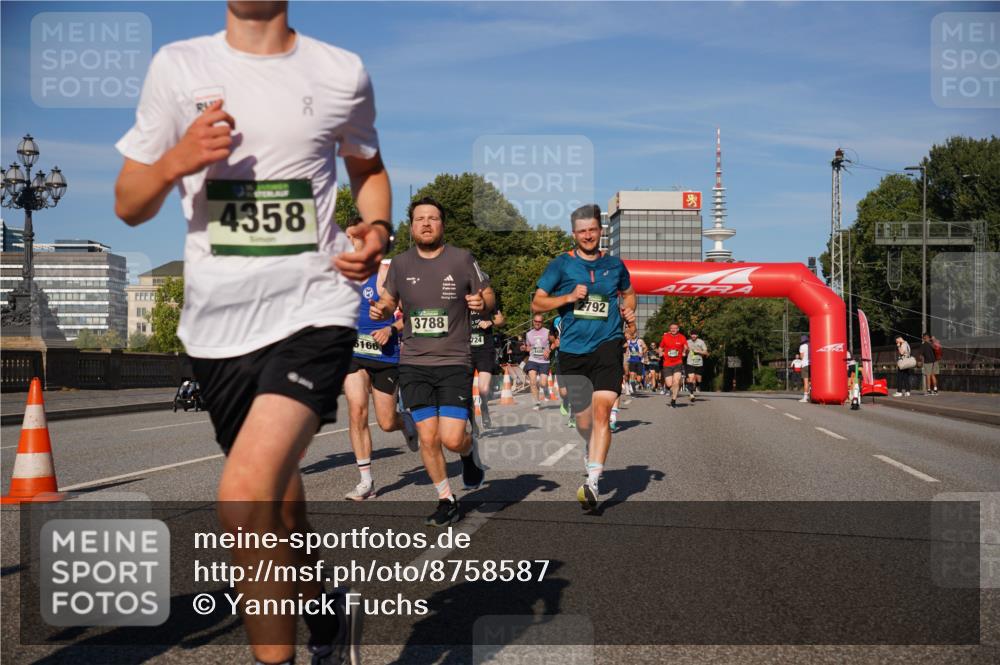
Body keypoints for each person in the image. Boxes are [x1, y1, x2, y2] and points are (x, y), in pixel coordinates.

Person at [114, 3, 389, 663]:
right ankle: (327, 609)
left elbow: (369, 171)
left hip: (313, 311)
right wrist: (176, 158)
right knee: (278, 504)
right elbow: (128, 201)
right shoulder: (179, 66)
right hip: (216, 329)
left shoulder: (339, 71)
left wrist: (376, 232)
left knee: (242, 495)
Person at [370, 196, 492, 526]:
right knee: (427, 437)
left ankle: (468, 454)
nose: (426, 223)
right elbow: (387, 298)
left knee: (452, 438)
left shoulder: (462, 259)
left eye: (433, 218)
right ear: (412, 226)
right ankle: (445, 498)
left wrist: (481, 300)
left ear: (442, 224)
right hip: (414, 364)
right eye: (420, 218)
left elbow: (489, 295)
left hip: (454, 361)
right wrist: (381, 308)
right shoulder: (400, 264)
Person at [532, 204, 637, 511]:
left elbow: (628, 293)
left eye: (593, 229)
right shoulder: (561, 265)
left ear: (600, 231)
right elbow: (537, 302)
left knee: (603, 411)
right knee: (584, 420)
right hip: (572, 351)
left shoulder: (615, 265)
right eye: (582, 231)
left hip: (608, 344)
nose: (588, 235)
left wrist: (628, 310)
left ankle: (592, 481)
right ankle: (589, 447)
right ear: (574, 233)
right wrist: (567, 297)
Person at [343, 219, 418, 502]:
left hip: (385, 354)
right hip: (353, 354)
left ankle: (405, 422)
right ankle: (366, 482)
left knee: (386, 422)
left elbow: (413, 313)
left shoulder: (388, 273)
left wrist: (390, 328)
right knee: (356, 411)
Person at [471, 304, 505, 430]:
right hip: (465, 351)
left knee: (484, 388)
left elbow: (501, 320)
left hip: (484, 350)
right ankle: (472, 422)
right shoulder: (459, 298)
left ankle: (484, 407)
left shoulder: (488, 302)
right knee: (464, 391)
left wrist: (490, 322)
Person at [523, 316, 554, 409]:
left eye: (539, 321)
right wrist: (525, 348)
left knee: (543, 383)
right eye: (536, 321)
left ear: (542, 322)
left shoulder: (547, 332)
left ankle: (546, 390)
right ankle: (536, 402)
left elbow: (555, 342)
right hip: (533, 360)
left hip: (544, 361)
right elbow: (528, 347)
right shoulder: (528, 334)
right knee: (532, 382)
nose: (537, 323)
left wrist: (548, 351)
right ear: (533, 321)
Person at [659, 323, 687, 408]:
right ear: (670, 329)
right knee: (669, 384)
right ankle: (669, 389)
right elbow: (660, 348)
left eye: (675, 328)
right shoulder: (665, 337)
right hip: (667, 363)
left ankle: (673, 400)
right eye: (672, 328)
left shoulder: (682, 337)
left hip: (678, 362)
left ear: (678, 329)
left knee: (676, 381)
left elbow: (685, 346)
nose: (673, 330)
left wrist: (684, 351)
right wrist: (660, 353)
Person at [685, 330, 709, 401]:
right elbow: (684, 350)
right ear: (690, 335)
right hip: (690, 362)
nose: (693, 336)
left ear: (697, 335)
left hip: (699, 363)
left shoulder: (701, 342)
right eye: (692, 334)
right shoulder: (687, 342)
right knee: (691, 378)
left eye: (695, 334)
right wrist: (685, 351)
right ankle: (691, 394)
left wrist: (698, 351)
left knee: (699, 379)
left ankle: (698, 385)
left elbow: (706, 353)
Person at [798, 335, 811, 402]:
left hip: (805, 365)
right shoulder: (811, 345)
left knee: (806, 382)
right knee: (812, 381)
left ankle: (805, 398)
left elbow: (801, 357)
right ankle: (812, 394)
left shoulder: (802, 346)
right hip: (812, 364)